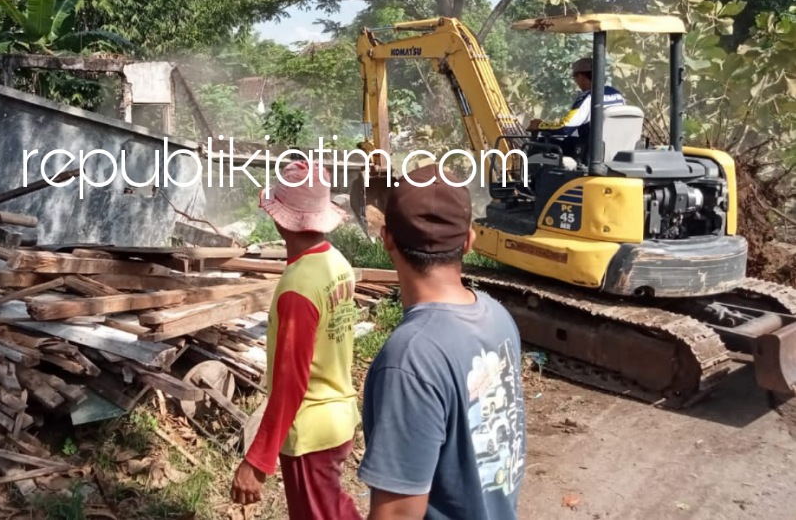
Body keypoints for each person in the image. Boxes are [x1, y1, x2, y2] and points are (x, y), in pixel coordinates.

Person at [357, 163, 526, 520]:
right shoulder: (499, 318)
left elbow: (398, 514)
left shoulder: (411, 358)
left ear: (387, 237)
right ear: (469, 241)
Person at [230, 158, 363, 520]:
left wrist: (257, 459)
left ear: (279, 217)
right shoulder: (338, 264)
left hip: (311, 432)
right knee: (333, 507)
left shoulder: (298, 288)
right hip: (340, 416)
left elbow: (290, 383)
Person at [527, 56, 625, 160]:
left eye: (575, 76)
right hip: (615, 152)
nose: (575, 81)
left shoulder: (589, 97)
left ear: (581, 76)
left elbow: (565, 128)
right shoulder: (617, 95)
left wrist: (540, 125)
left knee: (541, 144)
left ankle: (530, 175)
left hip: (590, 152)